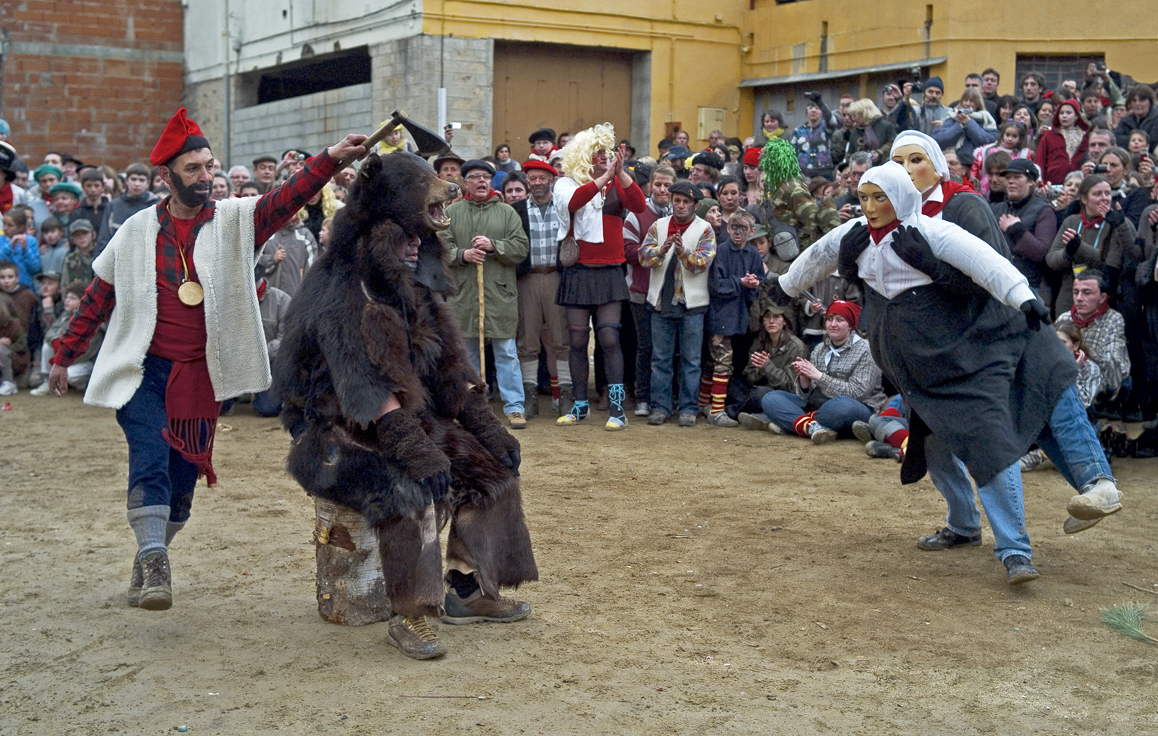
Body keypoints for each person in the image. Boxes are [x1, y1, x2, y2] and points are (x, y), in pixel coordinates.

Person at [46, 107, 368, 612]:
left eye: (210, 167)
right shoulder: (133, 230)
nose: (206, 178)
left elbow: (287, 198)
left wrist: (328, 159)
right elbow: (96, 296)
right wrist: (63, 355)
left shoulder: (236, 221)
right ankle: (156, 561)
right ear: (166, 175)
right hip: (144, 371)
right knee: (149, 457)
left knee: (180, 491)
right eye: (194, 169)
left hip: (203, 377)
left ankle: (151, 550)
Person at [775, 161, 1121, 584]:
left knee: (998, 441)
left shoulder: (945, 220)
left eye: (879, 196)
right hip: (918, 369)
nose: (868, 206)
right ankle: (964, 525)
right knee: (934, 446)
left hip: (973, 356)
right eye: (863, 197)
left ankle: (1017, 548)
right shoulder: (859, 235)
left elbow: (984, 262)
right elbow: (818, 256)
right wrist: (789, 283)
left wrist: (1022, 297)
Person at [552, 124, 646, 430]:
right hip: (578, 271)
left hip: (609, 272)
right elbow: (574, 202)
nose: (605, 157)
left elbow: (639, 205)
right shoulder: (566, 184)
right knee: (577, 340)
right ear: (584, 156)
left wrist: (619, 174)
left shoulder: (616, 181)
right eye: (599, 153)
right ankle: (580, 405)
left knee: (609, 337)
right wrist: (604, 177)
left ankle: (617, 409)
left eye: (608, 153)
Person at [641, 181, 716, 427]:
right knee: (660, 359)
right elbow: (643, 257)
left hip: (692, 306)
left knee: (691, 361)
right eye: (677, 200)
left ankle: (688, 409)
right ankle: (660, 407)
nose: (680, 205)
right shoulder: (658, 226)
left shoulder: (705, 229)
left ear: (695, 205)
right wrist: (661, 250)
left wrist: (683, 252)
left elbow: (702, 263)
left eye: (686, 202)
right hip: (661, 304)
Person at [759, 300, 885, 442]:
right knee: (771, 398)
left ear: (850, 325)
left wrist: (819, 376)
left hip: (858, 407)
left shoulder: (866, 350)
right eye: (829, 319)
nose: (833, 324)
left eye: (840, 320)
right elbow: (807, 396)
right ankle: (813, 427)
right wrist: (804, 380)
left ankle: (795, 423)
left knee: (842, 405)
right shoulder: (820, 348)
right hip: (819, 405)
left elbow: (857, 393)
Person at [510, 160, 569, 419]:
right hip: (527, 278)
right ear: (527, 182)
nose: (536, 182)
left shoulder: (564, 207)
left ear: (551, 180)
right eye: (532, 178)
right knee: (527, 340)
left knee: (561, 339)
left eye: (541, 178)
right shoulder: (516, 209)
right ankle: (529, 395)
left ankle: (566, 394)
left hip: (556, 276)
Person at [703, 203, 763, 425]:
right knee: (721, 363)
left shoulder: (753, 253)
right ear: (727, 229)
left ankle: (704, 404)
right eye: (734, 228)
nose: (738, 233)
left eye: (743, 229)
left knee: (718, 362)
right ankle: (716, 411)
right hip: (720, 317)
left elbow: (759, 282)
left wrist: (754, 283)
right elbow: (716, 285)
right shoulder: (720, 250)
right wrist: (741, 282)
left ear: (752, 231)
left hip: (740, 318)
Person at [624, 164, 675, 418]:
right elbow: (628, 252)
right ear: (650, 185)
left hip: (672, 294)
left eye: (668, 185)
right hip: (641, 292)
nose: (663, 190)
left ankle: (663, 399)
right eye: (658, 185)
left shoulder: (681, 213)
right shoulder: (636, 213)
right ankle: (642, 397)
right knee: (646, 348)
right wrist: (656, 251)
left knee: (666, 350)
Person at [1045, 174, 1138, 313]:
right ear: (1084, 198)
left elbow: (1118, 264)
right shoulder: (1072, 221)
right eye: (1097, 194)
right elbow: (1051, 260)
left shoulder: (1121, 223)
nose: (1104, 198)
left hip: (1107, 302)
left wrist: (1080, 248)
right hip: (1070, 300)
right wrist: (1068, 252)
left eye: (1107, 193)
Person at [1055, 270, 1131, 400]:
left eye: (1087, 293)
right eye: (1075, 292)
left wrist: (1084, 360)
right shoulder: (1065, 318)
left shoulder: (1113, 319)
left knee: (1121, 379)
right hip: (1067, 378)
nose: (1079, 298)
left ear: (1102, 298)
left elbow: (1115, 365)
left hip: (1097, 380)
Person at [734, 303, 807, 428]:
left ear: (784, 321)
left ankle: (733, 412)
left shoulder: (796, 347)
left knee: (760, 393)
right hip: (761, 390)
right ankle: (764, 416)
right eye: (767, 317)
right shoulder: (760, 342)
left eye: (776, 317)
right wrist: (761, 369)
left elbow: (792, 387)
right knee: (734, 383)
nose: (771, 321)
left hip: (786, 397)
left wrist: (768, 367)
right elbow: (749, 376)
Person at [991, 160, 1056, 296]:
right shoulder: (996, 209)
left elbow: (1041, 252)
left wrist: (1016, 230)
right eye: (1008, 178)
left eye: (1017, 177)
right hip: (998, 284)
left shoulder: (1044, 210)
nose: (1011, 181)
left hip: (1030, 287)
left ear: (1031, 182)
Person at [30, 280, 102, 396]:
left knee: (69, 375)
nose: (67, 300)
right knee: (47, 346)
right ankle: (47, 382)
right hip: (68, 358)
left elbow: (86, 352)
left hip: (86, 362)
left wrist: (63, 360)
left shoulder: (93, 319)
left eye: (73, 298)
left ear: (84, 300)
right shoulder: (66, 314)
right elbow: (50, 332)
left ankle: (88, 386)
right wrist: (56, 342)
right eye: (67, 297)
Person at [96, 163, 160, 256]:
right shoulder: (113, 206)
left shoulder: (155, 206)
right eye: (133, 179)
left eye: (141, 180)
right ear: (126, 180)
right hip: (117, 259)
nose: (137, 184)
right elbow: (104, 239)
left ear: (148, 183)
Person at [258, 214, 317, 299]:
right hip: (268, 298)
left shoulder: (305, 236)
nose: (290, 212)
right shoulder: (266, 234)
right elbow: (255, 266)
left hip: (295, 298)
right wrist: (272, 259)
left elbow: (312, 270)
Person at [1034, 99, 1090, 185]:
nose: (1064, 116)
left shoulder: (1084, 138)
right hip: (1051, 184)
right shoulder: (1049, 135)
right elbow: (1039, 159)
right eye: (1061, 113)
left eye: (1068, 113)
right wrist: (1040, 182)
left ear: (1077, 116)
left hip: (1076, 185)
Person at [789, 92, 836, 180]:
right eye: (810, 108)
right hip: (803, 174)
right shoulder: (798, 131)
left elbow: (832, 120)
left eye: (817, 108)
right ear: (806, 112)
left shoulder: (827, 127)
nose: (813, 110)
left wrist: (820, 103)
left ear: (822, 113)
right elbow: (790, 153)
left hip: (825, 173)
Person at [0, 207, 40, 286]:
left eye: (10, 225)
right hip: (3, 288)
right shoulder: (1, 240)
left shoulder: (31, 241)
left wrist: (26, 251)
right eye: (4, 224)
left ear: (21, 227)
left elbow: (35, 268)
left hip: (25, 286)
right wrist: (10, 245)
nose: (5, 228)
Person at [1113, 84, 1158, 149]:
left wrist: (1130, 140)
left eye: (1141, 100)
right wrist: (1140, 140)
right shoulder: (1125, 121)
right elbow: (1116, 138)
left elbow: (1152, 142)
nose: (1137, 104)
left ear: (1150, 102)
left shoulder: (1156, 119)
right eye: (1134, 100)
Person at [61, 219, 98, 287]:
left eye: (85, 233)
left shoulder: (100, 255)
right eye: (77, 235)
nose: (81, 237)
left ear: (93, 235)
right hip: (77, 296)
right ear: (72, 239)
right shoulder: (70, 259)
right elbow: (65, 285)